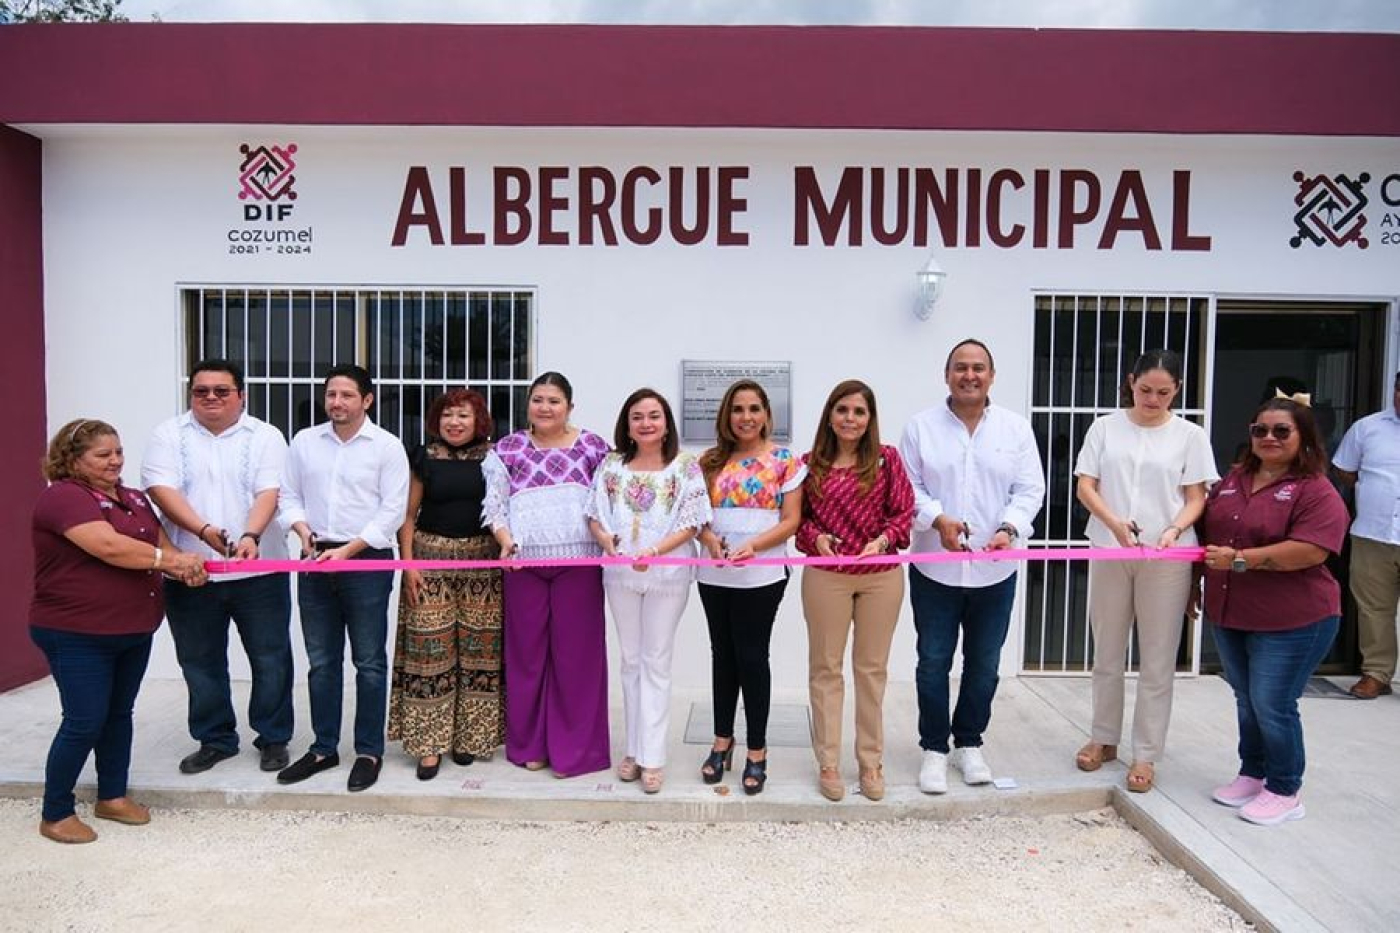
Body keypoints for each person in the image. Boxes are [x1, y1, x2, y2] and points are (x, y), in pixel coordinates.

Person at [30, 419, 206, 844]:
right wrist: (169, 561)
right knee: (83, 720)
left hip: (131, 629)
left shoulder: (133, 498)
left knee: (117, 716)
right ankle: (55, 812)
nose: (115, 461)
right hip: (77, 631)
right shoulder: (64, 498)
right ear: (73, 459)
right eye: (102, 455)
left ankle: (112, 795)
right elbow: (109, 546)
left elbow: (165, 547)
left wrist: (188, 564)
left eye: (119, 452)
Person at [900, 339, 1047, 795]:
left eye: (978, 368)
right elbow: (910, 488)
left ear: (991, 376)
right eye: (960, 368)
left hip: (995, 569)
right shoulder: (921, 427)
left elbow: (1030, 490)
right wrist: (937, 519)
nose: (969, 375)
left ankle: (968, 743)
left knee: (984, 663)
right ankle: (933, 748)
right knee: (933, 662)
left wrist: (1010, 527)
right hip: (935, 569)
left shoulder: (1015, 430)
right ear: (947, 375)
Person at [1072, 349, 1217, 793]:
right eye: (1145, 390)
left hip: (1166, 557)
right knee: (1107, 652)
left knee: (1157, 658)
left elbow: (1196, 497)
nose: (1152, 399)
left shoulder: (1190, 435)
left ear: (1176, 391)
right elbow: (1085, 485)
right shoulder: (1104, 427)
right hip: (1110, 549)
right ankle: (1104, 737)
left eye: (1163, 392)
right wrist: (1114, 523)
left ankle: (1146, 753)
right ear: (1131, 382)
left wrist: (1175, 529)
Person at [141, 358, 294, 777]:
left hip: (259, 569)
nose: (210, 397)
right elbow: (161, 489)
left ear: (241, 395)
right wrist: (203, 530)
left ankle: (273, 737)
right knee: (200, 659)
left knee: (271, 658)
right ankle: (216, 739)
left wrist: (251, 536)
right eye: (201, 390)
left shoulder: (266, 435)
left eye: (221, 391)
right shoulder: (168, 434)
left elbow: (271, 491)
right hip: (192, 570)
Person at [1201, 395, 1349, 826]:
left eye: (1281, 431)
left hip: (1294, 619)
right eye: (1260, 430)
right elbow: (1207, 534)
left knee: (1273, 702)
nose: (1269, 438)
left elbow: (1310, 551)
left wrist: (1242, 560)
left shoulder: (1316, 489)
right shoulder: (1233, 479)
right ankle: (1253, 771)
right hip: (1232, 612)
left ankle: (1285, 788)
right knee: (1246, 699)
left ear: (1303, 437)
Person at [277, 364, 410, 792]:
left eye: (347, 395)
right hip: (315, 557)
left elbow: (392, 510)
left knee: (369, 661)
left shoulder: (386, 447)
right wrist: (300, 529)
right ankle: (323, 748)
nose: (337, 402)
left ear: (366, 400)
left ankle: (368, 751)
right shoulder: (304, 442)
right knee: (321, 661)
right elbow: (289, 495)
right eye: (331, 394)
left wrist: (349, 549)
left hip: (365, 558)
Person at [483, 372, 611, 778]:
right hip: (524, 564)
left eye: (554, 401)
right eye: (538, 400)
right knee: (527, 658)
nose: (545, 407)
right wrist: (505, 540)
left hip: (580, 563)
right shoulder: (508, 449)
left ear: (569, 407)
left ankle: (575, 751)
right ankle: (531, 746)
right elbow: (496, 506)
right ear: (528, 405)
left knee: (577, 658)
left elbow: (606, 501)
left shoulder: (593, 447)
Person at [587, 389, 711, 793]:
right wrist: (607, 541)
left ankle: (653, 756)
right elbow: (594, 515)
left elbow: (692, 522)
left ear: (666, 422)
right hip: (621, 574)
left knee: (656, 660)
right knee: (629, 659)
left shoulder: (685, 468)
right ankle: (634, 751)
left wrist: (656, 551)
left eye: (654, 416)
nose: (645, 423)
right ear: (627, 423)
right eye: (637, 416)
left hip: (667, 575)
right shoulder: (610, 467)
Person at [795, 379, 914, 802]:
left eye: (859, 412)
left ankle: (870, 762)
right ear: (830, 415)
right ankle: (828, 763)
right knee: (826, 669)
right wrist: (817, 539)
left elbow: (904, 513)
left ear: (870, 419)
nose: (850, 419)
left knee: (871, 670)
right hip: (827, 575)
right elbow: (799, 520)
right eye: (843, 410)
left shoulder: (886, 460)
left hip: (880, 575)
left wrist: (882, 541)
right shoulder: (809, 464)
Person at [387, 388, 505, 780]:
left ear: (479, 422)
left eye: (464, 416)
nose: (454, 423)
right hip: (429, 563)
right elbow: (408, 514)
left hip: (482, 567)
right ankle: (429, 744)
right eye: (448, 415)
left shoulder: (495, 457)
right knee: (429, 652)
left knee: (479, 651)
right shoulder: (423, 456)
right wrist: (408, 565)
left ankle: (469, 738)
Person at [695, 380, 805, 795]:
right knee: (722, 655)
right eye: (738, 409)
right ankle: (722, 740)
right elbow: (698, 517)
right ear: (727, 415)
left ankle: (757, 750)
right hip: (715, 571)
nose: (746, 417)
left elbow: (791, 520)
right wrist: (710, 541)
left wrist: (753, 546)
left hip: (761, 572)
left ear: (766, 415)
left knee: (753, 657)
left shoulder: (784, 461)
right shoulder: (707, 461)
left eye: (754, 409)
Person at [1332, 372, 1400, 699]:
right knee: (1374, 609)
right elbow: (1345, 469)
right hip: (1373, 534)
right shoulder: (1367, 428)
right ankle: (1376, 673)